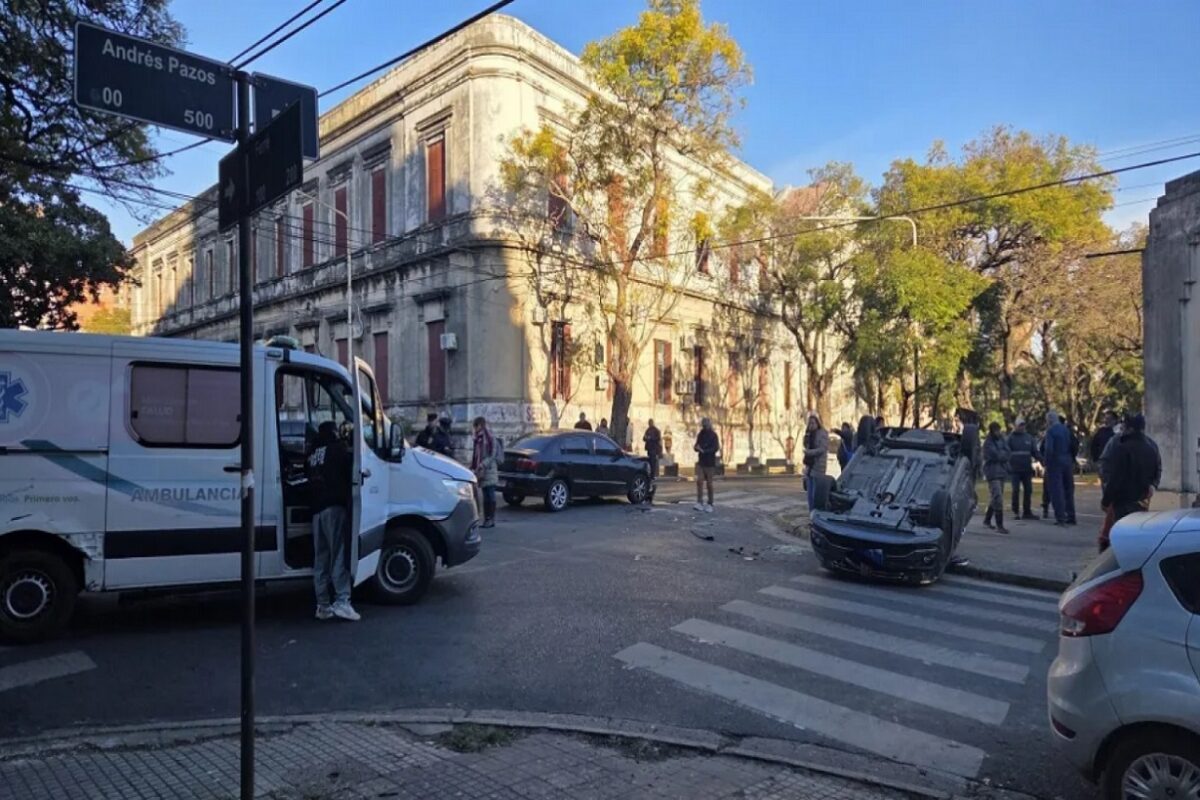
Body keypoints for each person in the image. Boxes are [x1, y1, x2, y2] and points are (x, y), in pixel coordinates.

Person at [306, 421, 360, 622]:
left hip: (316, 511)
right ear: (334, 432)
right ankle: (342, 602)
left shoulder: (312, 455)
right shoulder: (338, 449)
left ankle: (323, 605)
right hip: (334, 509)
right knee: (339, 554)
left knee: (321, 559)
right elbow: (352, 473)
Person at [1099, 413, 1162, 550]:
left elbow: (1114, 475)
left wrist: (1106, 498)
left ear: (1129, 428)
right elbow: (1157, 470)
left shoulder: (1121, 446)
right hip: (1142, 500)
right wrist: (1152, 486)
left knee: (1118, 535)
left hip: (1122, 500)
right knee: (1135, 534)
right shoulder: (1151, 447)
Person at [1043, 410, 1077, 526]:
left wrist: (1046, 463)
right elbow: (1073, 444)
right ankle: (1071, 515)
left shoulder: (1050, 431)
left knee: (1056, 490)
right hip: (1067, 460)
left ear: (1049, 420)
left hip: (1055, 462)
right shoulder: (1065, 430)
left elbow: (1049, 449)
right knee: (1068, 489)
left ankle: (1060, 517)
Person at [982, 422, 1011, 534]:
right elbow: (994, 455)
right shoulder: (988, 443)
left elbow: (1008, 452)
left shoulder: (1002, 440)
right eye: (996, 431)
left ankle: (987, 520)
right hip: (992, 472)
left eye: (999, 430)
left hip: (1001, 471)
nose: (998, 433)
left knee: (995, 497)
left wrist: (1003, 455)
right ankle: (1000, 525)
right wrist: (1002, 455)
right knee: (998, 497)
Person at [471, 416, 500, 528]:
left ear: (481, 425)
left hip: (489, 469)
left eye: (476, 426)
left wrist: (483, 464)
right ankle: (486, 518)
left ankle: (491, 518)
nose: (475, 428)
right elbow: (475, 455)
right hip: (481, 471)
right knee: (485, 495)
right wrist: (474, 466)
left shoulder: (489, 437)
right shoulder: (477, 439)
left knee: (490, 495)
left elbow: (493, 455)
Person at [1007, 417, 1037, 520]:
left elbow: (1035, 452)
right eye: (1020, 425)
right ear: (1016, 426)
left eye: (1023, 425)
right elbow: (1006, 452)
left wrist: (1043, 460)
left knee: (1028, 490)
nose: (1022, 427)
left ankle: (1027, 512)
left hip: (1026, 469)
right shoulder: (1010, 438)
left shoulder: (1029, 438)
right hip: (1015, 469)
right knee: (1015, 490)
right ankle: (1015, 511)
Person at [802, 414, 830, 510]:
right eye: (810, 423)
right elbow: (806, 445)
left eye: (813, 423)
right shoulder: (809, 434)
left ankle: (815, 510)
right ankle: (811, 511)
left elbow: (822, 449)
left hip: (818, 465)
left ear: (818, 423)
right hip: (809, 466)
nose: (811, 425)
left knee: (815, 492)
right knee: (809, 491)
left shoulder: (823, 433)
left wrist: (810, 452)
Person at [693, 418, 720, 512]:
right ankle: (699, 502)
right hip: (701, 462)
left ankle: (710, 503)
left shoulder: (713, 435)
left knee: (709, 483)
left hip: (710, 462)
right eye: (703, 424)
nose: (704, 426)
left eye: (706, 424)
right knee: (699, 481)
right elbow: (696, 445)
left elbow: (716, 447)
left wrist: (705, 451)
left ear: (709, 424)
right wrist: (697, 448)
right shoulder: (701, 434)